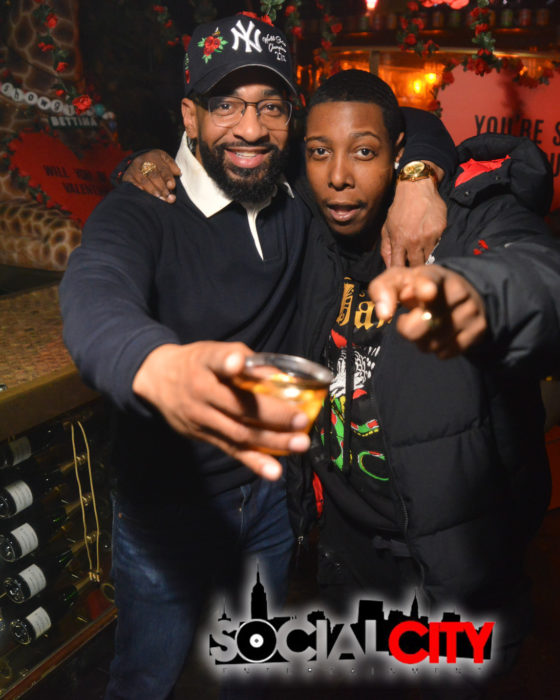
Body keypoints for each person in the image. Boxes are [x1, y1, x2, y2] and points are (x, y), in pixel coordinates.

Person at [60, 15, 454, 699]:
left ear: (292, 120)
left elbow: (403, 120)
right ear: (190, 115)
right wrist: (155, 363)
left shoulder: (299, 194)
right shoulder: (141, 210)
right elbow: (95, 288)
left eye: (270, 107)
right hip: (166, 505)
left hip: (272, 500)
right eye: (226, 105)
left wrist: (418, 174)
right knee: (146, 678)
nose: (250, 129)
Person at [286, 70, 560, 694]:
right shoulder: (305, 225)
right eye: (320, 152)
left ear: (398, 156)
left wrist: (478, 293)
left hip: (448, 557)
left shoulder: (464, 219)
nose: (339, 175)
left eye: (365, 153)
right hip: (345, 546)